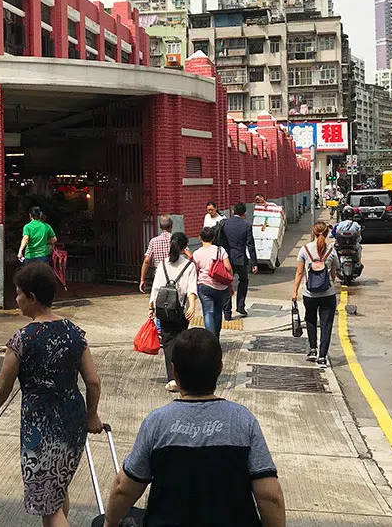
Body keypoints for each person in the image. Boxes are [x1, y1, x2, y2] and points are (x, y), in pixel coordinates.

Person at [104, 329, 286, 527]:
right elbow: (270, 495)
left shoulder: (157, 422)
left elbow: (124, 488)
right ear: (219, 368)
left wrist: (109, 524)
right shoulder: (243, 420)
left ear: (174, 371)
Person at [0, 262, 102, 527]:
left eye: (18, 294)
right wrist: (91, 414)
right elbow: (92, 381)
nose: (16, 299)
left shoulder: (23, 339)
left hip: (40, 425)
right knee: (58, 487)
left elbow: (1, 386)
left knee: (48, 506)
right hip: (72, 419)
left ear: (32, 298)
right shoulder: (75, 332)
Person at [149, 232, 197, 393]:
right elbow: (191, 289)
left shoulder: (163, 264)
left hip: (163, 310)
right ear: (185, 248)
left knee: (168, 343)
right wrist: (192, 306)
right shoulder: (189, 266)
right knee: (181, 342)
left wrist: (152, 307)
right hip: (181, 311)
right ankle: (181, 377)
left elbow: (156, 288)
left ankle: (172, 379)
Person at [292, 221, 340, 367]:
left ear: (313, 232)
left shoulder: (304, 250)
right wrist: (329, 281)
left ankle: (312, 349)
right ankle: (322, 357)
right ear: (326, 233)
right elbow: (334, 272)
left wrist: (295, 291)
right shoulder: (331, 251)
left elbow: (299, 272)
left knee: (311, 320)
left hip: (309, 294)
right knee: (326, 325)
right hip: (328, 294)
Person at [194, 224, 233, 337]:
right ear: (213, 238)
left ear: (200, 238)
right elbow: (228, 268)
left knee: (208, 312)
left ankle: (211, 340)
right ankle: (217, 336)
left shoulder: (197, 253)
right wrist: (231, 285)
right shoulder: (221, 250)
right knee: (218, 312)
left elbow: (195, 271)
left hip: (204, 286)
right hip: (221, 287)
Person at [222, 202, 258, 320]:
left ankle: (227, 312)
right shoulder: (246, 225)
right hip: (240, 259)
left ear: (233, 212)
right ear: (244, 213)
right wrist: (254, 263)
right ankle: (240, 306)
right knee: (243, 280)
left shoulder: (225, 223)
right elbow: (250, 245)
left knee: (227, 283)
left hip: (227, 258)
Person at [139, 215, 174, 293]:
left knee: (159, 298)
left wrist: (142, 279)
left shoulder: (153, 241)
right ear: (171, 226)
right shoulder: (175, 239)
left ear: (160, 227)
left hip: (159, 273)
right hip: (174, 273)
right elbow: (189, 255)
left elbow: (147, 260)